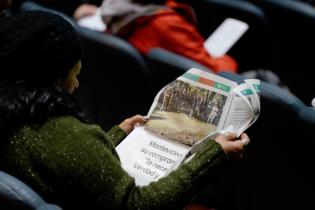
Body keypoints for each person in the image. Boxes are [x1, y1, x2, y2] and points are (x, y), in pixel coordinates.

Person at [0, 11, 250, 210]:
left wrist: (114, 137)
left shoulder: (14, 115)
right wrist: (214, 155)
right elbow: (137, 205)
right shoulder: (62, 133)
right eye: (74, 74)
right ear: (52, 77)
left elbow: (69, 167)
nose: (76, 85)